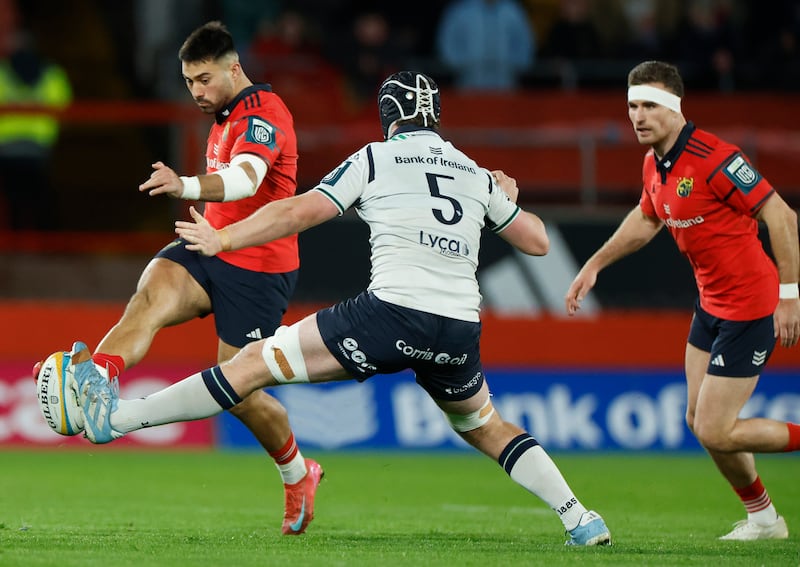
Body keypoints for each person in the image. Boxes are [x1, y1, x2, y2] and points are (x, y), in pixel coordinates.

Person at [70, 71, 611, 546]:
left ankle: (115, 419)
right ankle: (580, 517)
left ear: (387, 117)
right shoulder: (470, 170)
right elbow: (538, 241)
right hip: (458, 328)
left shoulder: (375, 158)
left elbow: (299, 211)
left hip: (390, 314)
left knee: (249, 365)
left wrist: (225, 238)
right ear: (437, 116)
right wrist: (508, 198)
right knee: (485, 426)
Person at [36, 21, 323, 536]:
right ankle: (96, 379)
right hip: (208, 245)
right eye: (189, 82)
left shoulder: (265, 112)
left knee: (238, 392)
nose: (197, 92)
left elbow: (247, 178)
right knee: (150, 296)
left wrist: (185, 184)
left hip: (259, 269)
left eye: (205, 79)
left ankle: (298, 472)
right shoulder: (224, 115)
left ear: (235, 68)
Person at [565, 60, 800, 541]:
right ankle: (764, 519)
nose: (638, 116)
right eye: (632, 106)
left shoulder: (716, 158)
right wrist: (595, 264)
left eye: (649, 105)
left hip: (750, 306)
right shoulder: (655, 162)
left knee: (716, 429)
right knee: (697, 420)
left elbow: (782, 216)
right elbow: (647, 218)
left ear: (675, 107)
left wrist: (789, 295)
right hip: (710, 306)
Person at [0, 29, 72, 229]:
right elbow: (64, 108)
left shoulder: (2, 73)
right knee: (40, 200)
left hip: (5, 149)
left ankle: (15, 248)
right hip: (39, 148)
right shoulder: (52, 74)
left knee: (12, 204)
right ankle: (46, 244)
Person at [435, 0, 535, 91]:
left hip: (506, 85)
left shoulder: (513, 11)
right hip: (468, 85)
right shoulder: (460, 11)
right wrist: (465, 64)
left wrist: (512, 65)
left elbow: (525, 46)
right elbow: (447, 45)